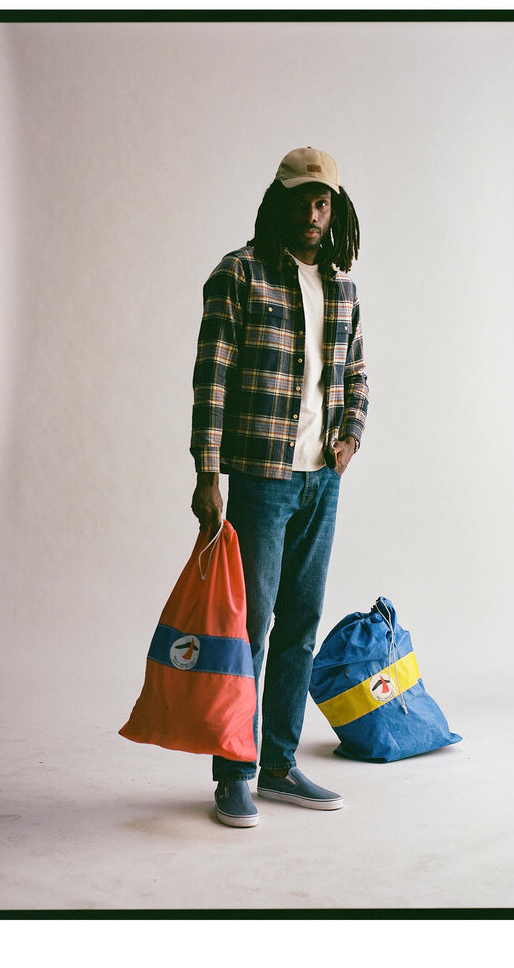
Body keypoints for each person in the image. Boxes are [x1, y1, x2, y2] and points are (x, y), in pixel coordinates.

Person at [190, 146, 368, 828]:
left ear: (336, 208)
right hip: (260, 479)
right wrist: (208, 471)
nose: (314, 212)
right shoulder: (238, 274)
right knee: (249, 630)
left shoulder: (342, 286)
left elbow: (355, 374)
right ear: (278, 201)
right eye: (302, 199)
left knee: (299, 625)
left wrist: (349, 436)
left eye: (324, 201)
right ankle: (232, 773)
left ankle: (280, 764)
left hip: (321, 479)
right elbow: (212, 379)